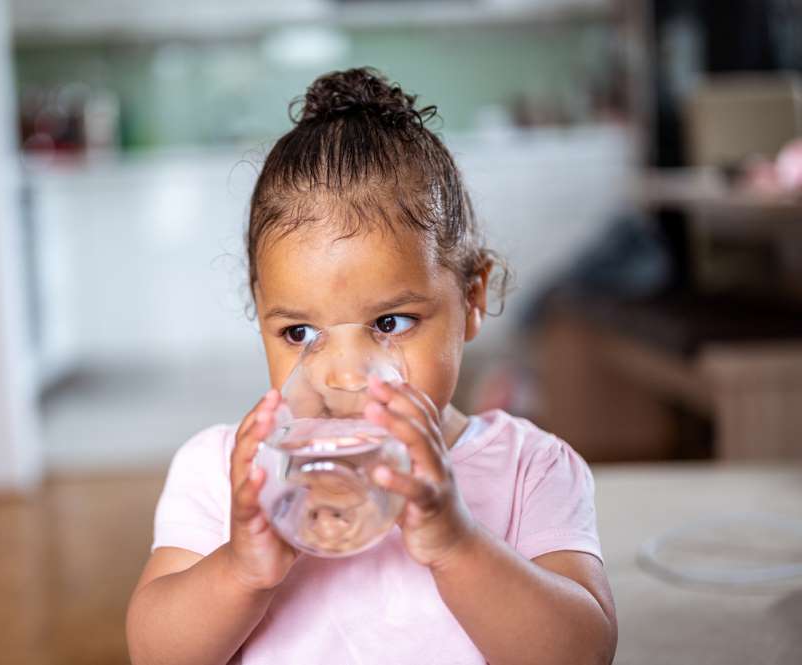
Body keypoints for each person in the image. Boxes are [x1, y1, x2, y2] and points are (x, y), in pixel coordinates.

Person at [126, 67, 617, 665]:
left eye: (389, 324)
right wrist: (240, 569)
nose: (342, 375)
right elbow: (155, 652)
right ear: (259, 318)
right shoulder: (228, 474)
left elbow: (582, 654)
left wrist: (456, 543)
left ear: (472, 298)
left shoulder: (529, 469)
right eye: (299, 333)